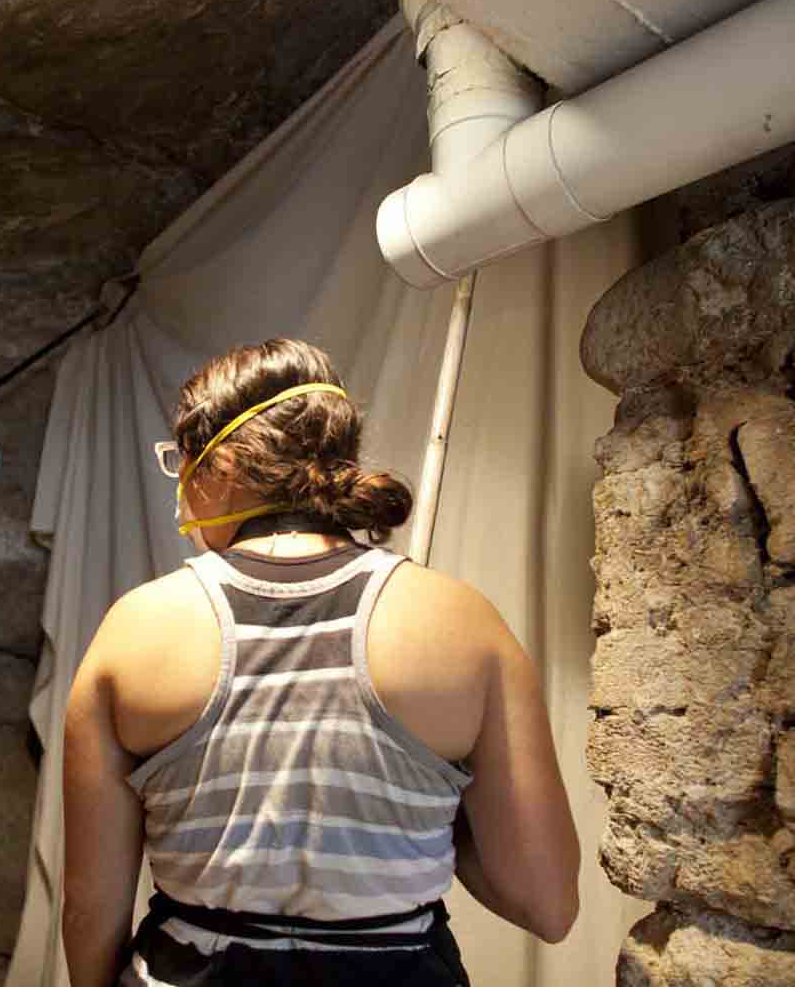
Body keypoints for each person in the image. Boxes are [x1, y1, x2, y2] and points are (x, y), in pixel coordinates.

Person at [61, 340, 580, 986]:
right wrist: (425, 806)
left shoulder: (134, 628)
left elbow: (89, 909)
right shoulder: (461, 621)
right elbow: (547, 903)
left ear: (218, 465)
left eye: (181, 462)